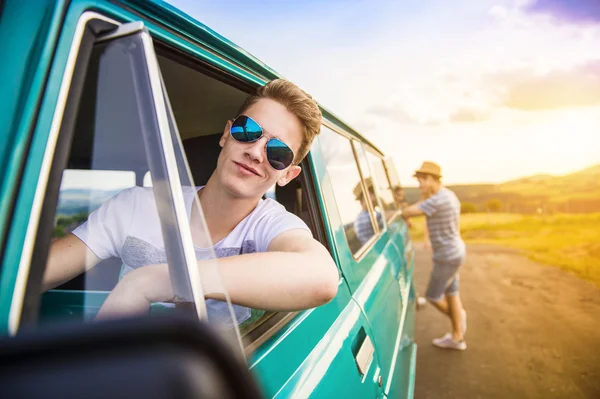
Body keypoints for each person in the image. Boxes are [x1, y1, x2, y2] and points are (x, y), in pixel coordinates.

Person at [43, 79, 340, 323]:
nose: (255, 151)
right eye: (247, 131)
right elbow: (29, 276)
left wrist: (148, 282)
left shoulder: (271, 225)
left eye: (278, 152)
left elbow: (322, 277)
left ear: (288, 175)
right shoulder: (137, 206)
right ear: (226, 134)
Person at [400, 161, 468, 350]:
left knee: (432, 296)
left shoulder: (437, 200)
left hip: (447, 256)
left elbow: (407, 211)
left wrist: (406, 211)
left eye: (423, 179)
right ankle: (457, 336)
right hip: (455, 251)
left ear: (433, 179)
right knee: (452, 292)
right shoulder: (447, 195)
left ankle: (458, 324)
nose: (420, 183)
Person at [353, 178, 383, 245]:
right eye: (372, 192)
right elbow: (384, 216)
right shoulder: (363, 218)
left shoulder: (373, 213)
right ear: (365, 197)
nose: (376, 195)